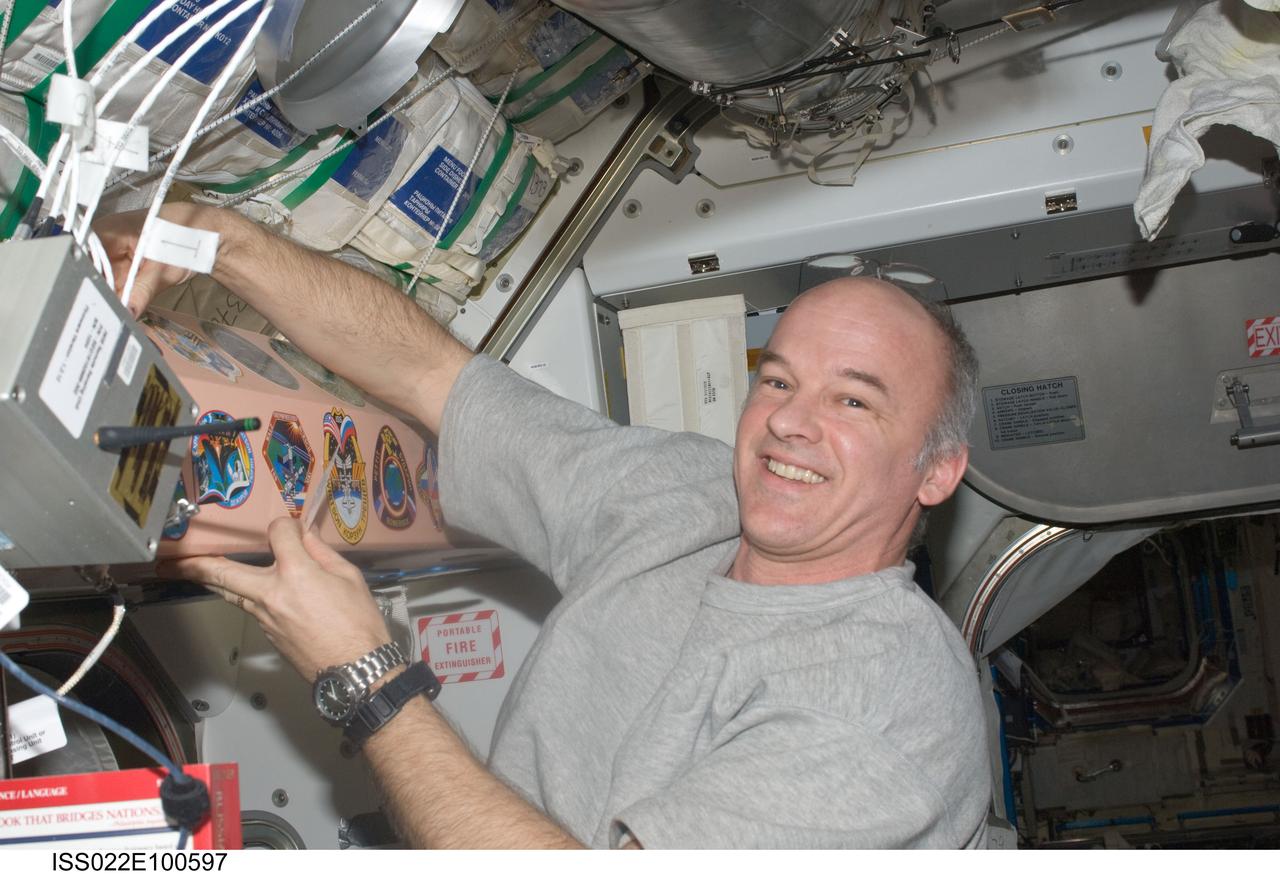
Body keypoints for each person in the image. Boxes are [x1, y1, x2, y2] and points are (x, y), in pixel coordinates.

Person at [96, 204, 993, 849]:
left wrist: (367, 677)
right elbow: (433, 376)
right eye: (780, 379)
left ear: (938, 470)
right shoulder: (690, 499)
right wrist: (214, 239)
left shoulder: (889, 712)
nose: (792, 422)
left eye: (854, 400)